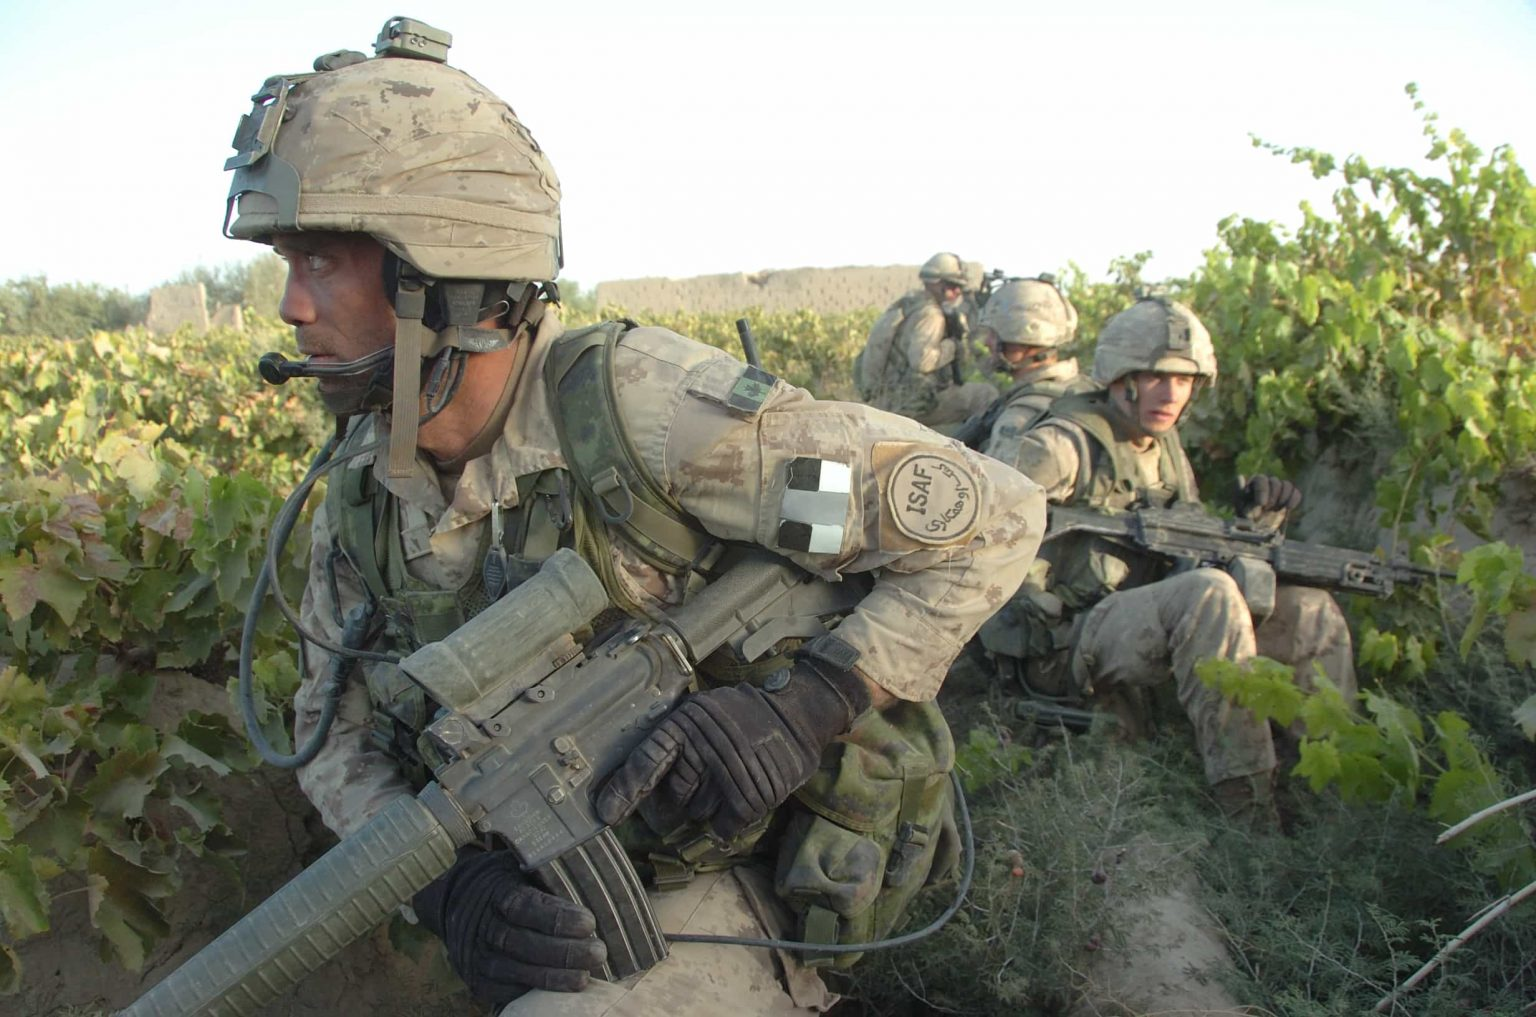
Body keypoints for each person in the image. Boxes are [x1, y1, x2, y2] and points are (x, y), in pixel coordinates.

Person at [222, 19, 1042, 1015]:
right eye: (289, 264)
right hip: (551, 871)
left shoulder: (653, 419)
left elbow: (998, 514)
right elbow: (330, 730)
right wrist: (446, 891)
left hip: (740, 865)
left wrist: (808, 702)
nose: (291, 309)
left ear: (439, 270)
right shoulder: (362, 490)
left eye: (320, 262)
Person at [978, 296, 1356, 822]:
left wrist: (1251, 530)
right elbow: (975, 515)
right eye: (1156, 377)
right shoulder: (1064, 445)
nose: (1171, 394)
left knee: (1311, 610)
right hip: (1061, 640)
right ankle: (1249, 812)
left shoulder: (1164, 448)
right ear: (1120, 378)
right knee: (1211, 596)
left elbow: (1182, 539)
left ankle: (1335, 802)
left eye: (1184, 380)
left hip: (1136, 618)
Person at [853, 253, 998, 429]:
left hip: (887, 398)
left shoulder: (909, 304)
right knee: (985, 394)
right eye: (952, 285)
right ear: (936, 283)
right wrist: (953, 346)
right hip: (909, 404)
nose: (957, 291)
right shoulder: (931, 315)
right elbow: (923, 361)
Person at [968, 274, 1097, 463]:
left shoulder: (1021, 416)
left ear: (1020, 335)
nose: (987, 342)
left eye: (994, 335)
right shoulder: (1084, 388)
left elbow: (995, 481)